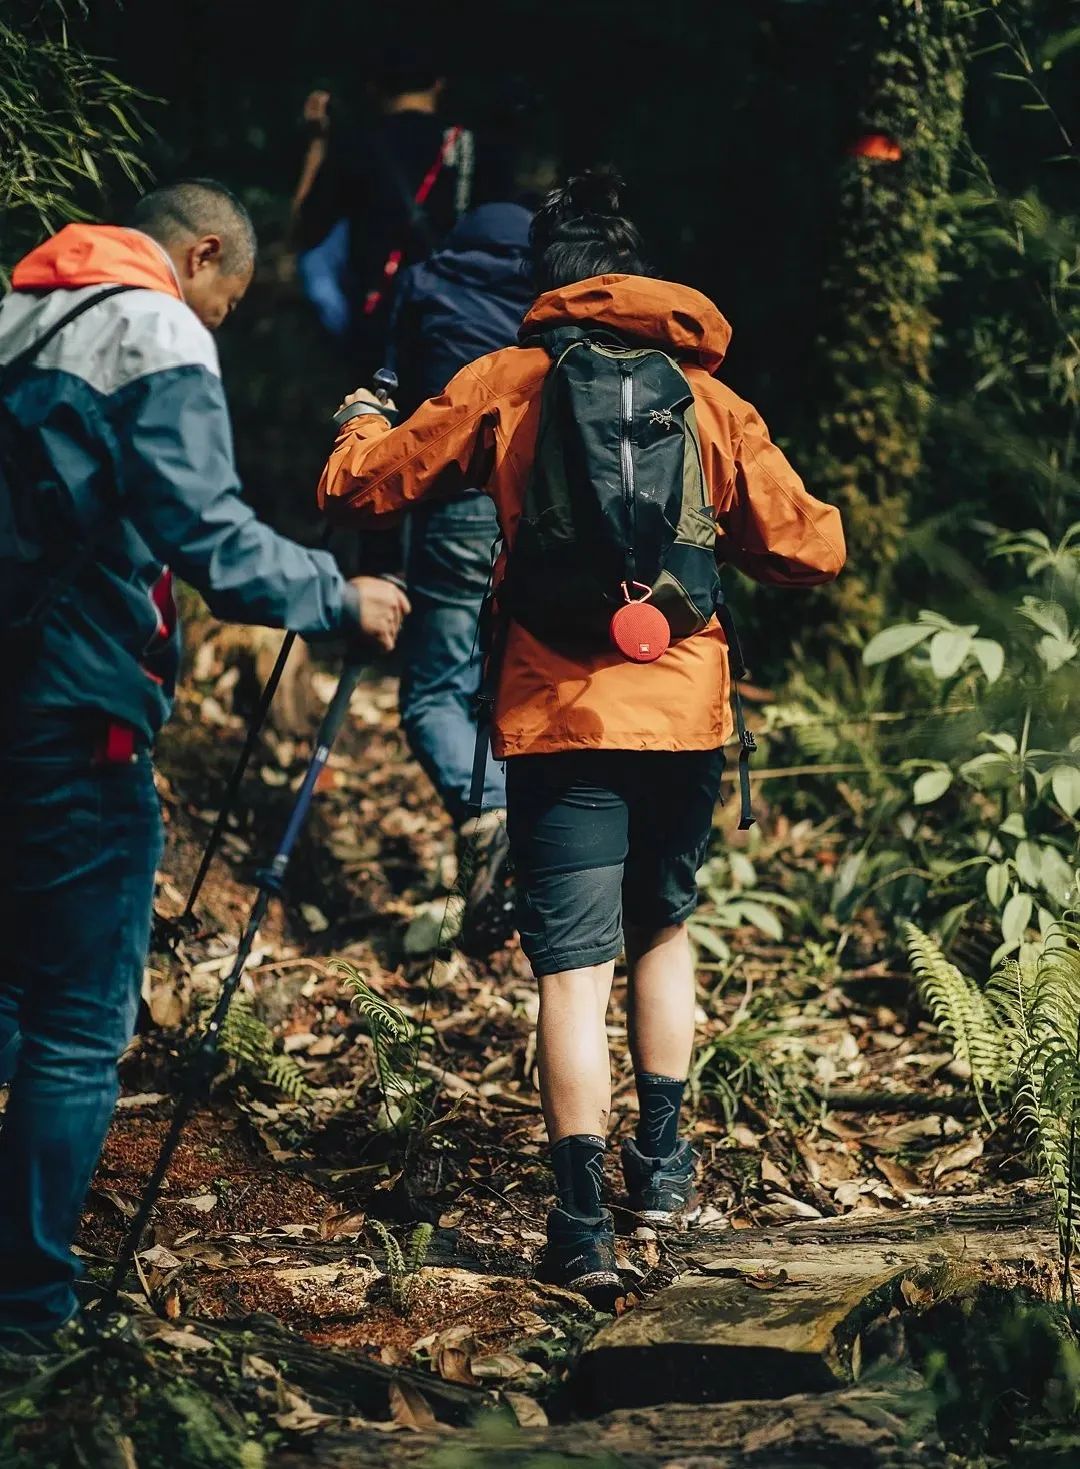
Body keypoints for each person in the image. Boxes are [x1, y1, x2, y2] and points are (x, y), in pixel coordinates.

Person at [315, 172, 845, 1299]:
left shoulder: (506, 381)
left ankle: (581, 1223)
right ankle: (661, 1166)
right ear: (636, 266)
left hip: (559, 717)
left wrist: (359, 416)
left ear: (541, 277)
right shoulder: (710, 399)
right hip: (684, 711)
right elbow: (812, 548)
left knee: (571, 969)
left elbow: (359, 488)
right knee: (662, 929)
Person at [0, 179, 409, 1347]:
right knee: (80, 1024)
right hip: (78, 708)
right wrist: (338, 591)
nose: (217, 321)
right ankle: (27, 1319)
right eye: (225, 299)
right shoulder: (152, 321)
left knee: (12, 993)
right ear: (206, 251)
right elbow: (207, 530)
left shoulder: (17, 313)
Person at [388, 194, 535, 953]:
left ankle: (492, 813)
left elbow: (405, 383)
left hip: (450, 504)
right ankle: (517, 852)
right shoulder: (550, 299)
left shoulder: (427, 283)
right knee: (499, 694)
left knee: (431, 695)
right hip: (533, 518)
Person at [292, 45, 475, 364]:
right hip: (463, 323)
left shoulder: (357, 146)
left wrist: (318, 142)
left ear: (373, 89)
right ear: (438, 85)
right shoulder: (470, 145)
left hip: (377, 323)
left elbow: (305, 230)